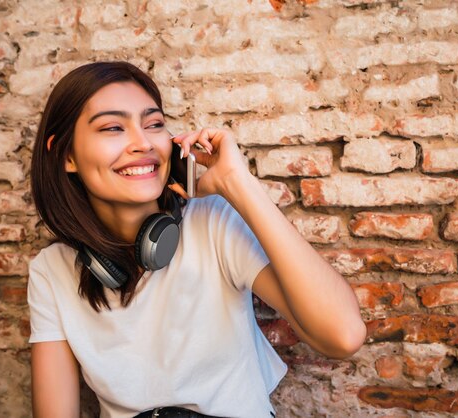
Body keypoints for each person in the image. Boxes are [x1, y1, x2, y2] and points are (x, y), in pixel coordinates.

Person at [28, 61, 366, 418]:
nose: (142, 142)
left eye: (154, 124)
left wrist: (238, 184)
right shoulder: (52, 271)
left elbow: (342, 336)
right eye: (113, 127)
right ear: (67, 154)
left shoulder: (213, 222)